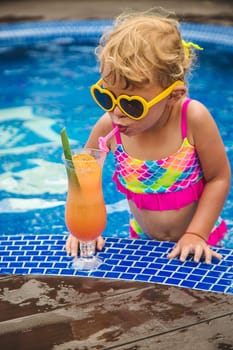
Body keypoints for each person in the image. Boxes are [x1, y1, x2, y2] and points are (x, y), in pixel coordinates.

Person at [66, 10, 231, 263]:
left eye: (133, 105)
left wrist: (196, 234)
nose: (117, 113)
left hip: (202, 240)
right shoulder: (107, 128)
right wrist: (83, 231)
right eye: (106, 97)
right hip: (142, 241)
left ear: (173, 95)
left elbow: (219, 177)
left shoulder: (192, 119)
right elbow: (83, 180)